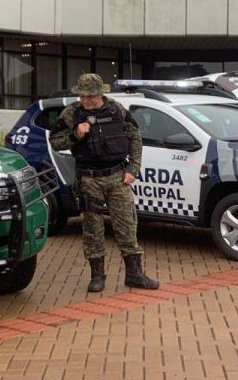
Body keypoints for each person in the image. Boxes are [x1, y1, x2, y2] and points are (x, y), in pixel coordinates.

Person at [49, 73, 160, 292]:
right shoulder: (71, 113)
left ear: (100, 94)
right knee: (93, 228)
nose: (85, 100)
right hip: (89, 179)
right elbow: (55, 142)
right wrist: (75, 136)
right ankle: (97, 276)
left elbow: (135, 138)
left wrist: (133, 168)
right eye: (81, 96)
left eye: (89, 96)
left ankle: (134, 274)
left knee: (127, 224)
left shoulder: (117, 110)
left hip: (117, 177)